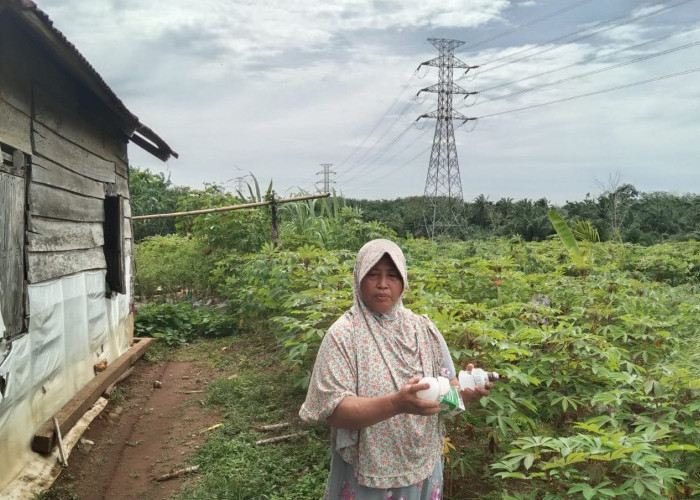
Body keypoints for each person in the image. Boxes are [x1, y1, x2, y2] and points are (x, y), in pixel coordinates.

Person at [300, 238, 492, 499]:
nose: (382, 284)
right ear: (358, 278)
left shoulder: (423, 330)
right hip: (368, 477)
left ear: (403, 280)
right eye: (373, 275)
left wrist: (463, 397)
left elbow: (446, 391)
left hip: (423, 466)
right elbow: (335, 411)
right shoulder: (343, 335)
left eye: (392, 275)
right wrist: (396, 404)